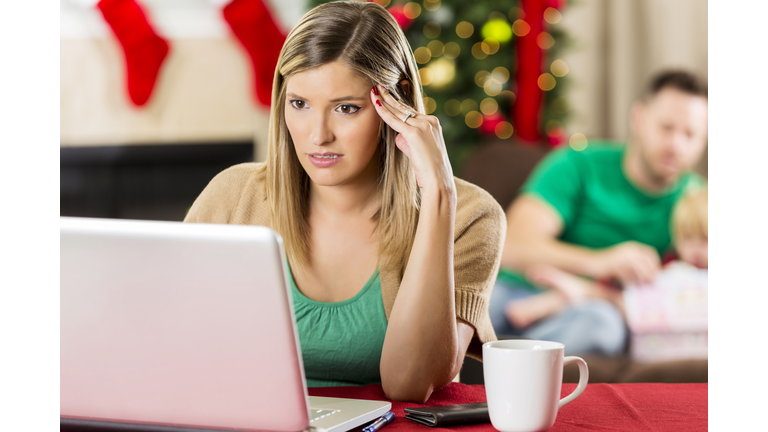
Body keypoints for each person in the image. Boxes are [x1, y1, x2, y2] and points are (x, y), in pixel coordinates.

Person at [184, 1, 505, 403]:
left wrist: (439, 195)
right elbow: (171, 343)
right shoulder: (232, 197)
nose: (318, 136)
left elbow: (410, 383)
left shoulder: (471, 217)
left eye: (346, 108)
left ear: (397, 104)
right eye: (299, 104)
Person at [489, 70, 708, 356]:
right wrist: (599, 262)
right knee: (466, 307)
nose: (676, 145)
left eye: (690, 134)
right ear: (638, 118)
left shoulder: (699, 202)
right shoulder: (579, 165)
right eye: (666, 128)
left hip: (592, 310)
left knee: (602, 327)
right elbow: (511, 247)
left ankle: (510, 367)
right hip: (518, 291)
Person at [498, 185, 708, 326]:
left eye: (706, 240)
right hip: (643, 310)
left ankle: (576, 292)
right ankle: (568, 294)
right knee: (623, 292)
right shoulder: (676, 265)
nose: (695, 250)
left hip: (656, 315)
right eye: (687, 239)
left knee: (618, 300)